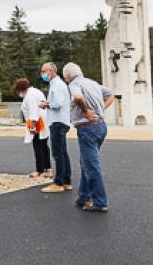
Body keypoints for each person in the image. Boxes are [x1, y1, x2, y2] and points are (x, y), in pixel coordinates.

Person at [62, 62, 115, 213]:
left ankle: (99, 202)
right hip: (101, 126)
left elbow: (78, 98)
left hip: (87, 128)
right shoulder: (93, 83)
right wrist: (101, 108)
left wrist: (85, 112)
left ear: (68, 77)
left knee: (91, 164)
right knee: (86, 161)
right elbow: (111, 94)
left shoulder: (74, 84)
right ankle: (84, 195)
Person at [38, 62, 72, 193]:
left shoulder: (57, 85)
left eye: (44, 71)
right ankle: (66, 181)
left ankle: (59, 182)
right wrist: (48, 103)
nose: (42, 74)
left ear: (51, 71)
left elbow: (57, 103)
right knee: (63, 152)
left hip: (57, 122)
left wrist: (46, 105)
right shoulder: (58, 84)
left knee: (58, 154)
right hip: (61, 121)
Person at [12, 78, 51, 179]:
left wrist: (32, 127)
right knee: (43, 145)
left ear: (21, 89)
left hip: (37, 123)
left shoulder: (30, 96)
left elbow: (33, 111)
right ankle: (47, 169)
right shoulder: (36, 91)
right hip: (43, 121)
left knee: (38, 146)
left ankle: (40, 170)